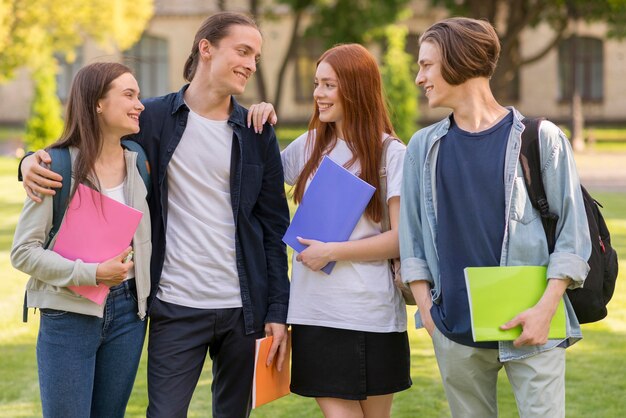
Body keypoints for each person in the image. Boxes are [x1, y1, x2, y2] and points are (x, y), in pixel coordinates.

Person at [19, 12, 290, 418]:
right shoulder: (153, 118)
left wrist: (277, 312)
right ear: (206, 48)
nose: (251, 63)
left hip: (243, 308)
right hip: (174, 303)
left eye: (256, 56)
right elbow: (89, 138)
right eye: (243, 51)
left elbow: (273, 227)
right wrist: (26, 163)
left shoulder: (256, 130)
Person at [399, 17, 591, 418]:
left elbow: (574, 236)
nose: (419, 77)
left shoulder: (542, 138)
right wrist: (432, 321)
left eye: (426, 65)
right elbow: (412, 240)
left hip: (535, 325)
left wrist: (545, 310)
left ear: (458, 61)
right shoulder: (422, 147)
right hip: (455, 331)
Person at [11, 62, 151, 418]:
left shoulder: (139, 163)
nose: (140, 104)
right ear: (97, 104)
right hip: (68, 314)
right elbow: (23, 252)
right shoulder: (54, 167)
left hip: (128, 315)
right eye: (129, 95)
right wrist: (92, 273)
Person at [281, 43, 411, 418]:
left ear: (355, 88)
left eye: (328, 85)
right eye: (317, 84)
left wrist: (332, 251)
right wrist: (256, 116)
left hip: (370, 312)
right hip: (315, 312)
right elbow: (254, 175)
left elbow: (402, 238)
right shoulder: (308, 146)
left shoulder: (390, 154)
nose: (318, 95)